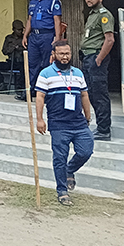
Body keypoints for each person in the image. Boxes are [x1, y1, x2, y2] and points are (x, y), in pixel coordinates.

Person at [35, 39, 94, 206]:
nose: (65, 57)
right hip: (58, 123)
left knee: (86, 151)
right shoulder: (45, 74)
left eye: (67, 53)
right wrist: (40, 120)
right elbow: (40, 97)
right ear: (54, 55)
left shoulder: (78, 73)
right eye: (61, 54)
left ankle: (69, 170)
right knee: (59, 157)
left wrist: (88, 116)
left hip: (78, 122)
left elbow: (84, 95)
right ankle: (62, 190)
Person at [80, 0, 115, 140]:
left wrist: (99, 58)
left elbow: (109, 39)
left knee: (99, 93)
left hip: (95, 57)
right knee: (91, 93)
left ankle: (104, 129)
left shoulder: (104, 15)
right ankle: (101, 125)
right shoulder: (92, 14)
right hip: (88, 57)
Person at [22, 0, 62, 102]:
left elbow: (57, 21)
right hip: (34, 36)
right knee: (31, 64)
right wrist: (25, 35)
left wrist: (58, 38)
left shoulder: (53, 1)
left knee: (47, 64)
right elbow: (29, 20)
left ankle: (47, 93)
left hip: (47, 35)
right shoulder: (32, 2)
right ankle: (29, 91)